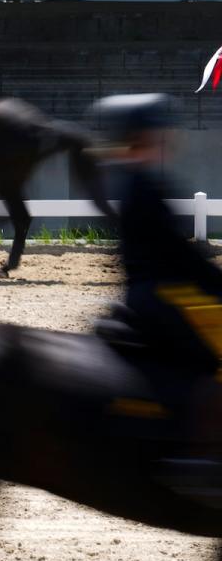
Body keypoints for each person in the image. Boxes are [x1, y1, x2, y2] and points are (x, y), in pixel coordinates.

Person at [92, 93, 222, 374]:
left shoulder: (129, 180)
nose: (170, 136)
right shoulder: (145, 187)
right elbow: (181, 254)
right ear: (144, 136)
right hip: (160, 300)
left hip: (145, 294)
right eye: (161, 131)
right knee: (208, 362)